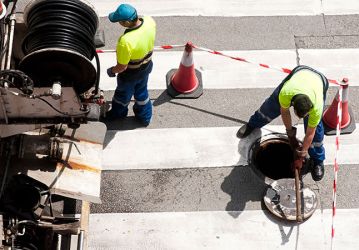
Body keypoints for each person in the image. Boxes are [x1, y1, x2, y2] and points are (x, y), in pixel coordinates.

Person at [237, 65, 329, 181]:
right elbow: (285, 113)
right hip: (299, 75)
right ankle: (253, 124)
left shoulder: (316, 107)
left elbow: (310, 133)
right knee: (269, 108)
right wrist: (290, 134)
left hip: (319, 81)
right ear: (293, 106)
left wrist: (301, 156)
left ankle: (318, 160)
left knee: (316, 134)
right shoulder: (286, 93)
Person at [106, 3, 156, 126]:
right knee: (142, 93)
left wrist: (112, 70)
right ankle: (145, 117)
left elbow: (122, 67)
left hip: (130, 74)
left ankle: (118, 114)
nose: (119, 24)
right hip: (146, 67)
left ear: (126, 22)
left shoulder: (126, 41)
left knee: (122, 96)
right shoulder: (149, 21)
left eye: (119, 21)